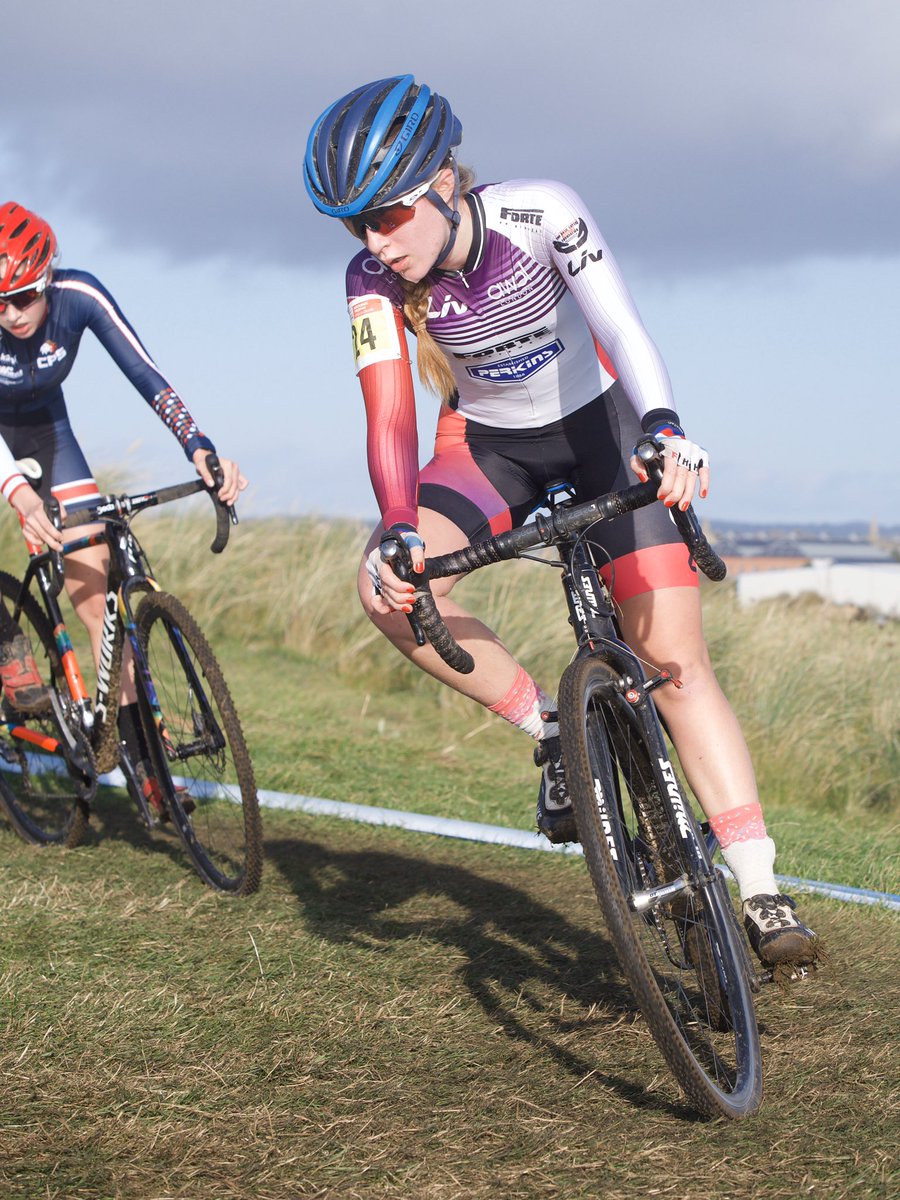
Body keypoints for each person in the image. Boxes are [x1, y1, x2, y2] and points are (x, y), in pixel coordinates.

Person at [303, 75, 818, 968]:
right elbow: (388, 415)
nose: (375, 243)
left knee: (674, 663)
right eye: (357, 227)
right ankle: (554, 728)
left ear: (442, 183)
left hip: (602, 431)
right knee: (385, 590)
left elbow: (620, 325)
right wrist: (397, 523)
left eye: (386, 216)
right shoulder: (369, 284)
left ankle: (761, 887)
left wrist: (665, 431)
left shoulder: (541, 213)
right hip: (489, 447)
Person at [0, 200, 247, 815]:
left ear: (48, 277)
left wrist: (199, 444)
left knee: (97, 602)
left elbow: (146, 374)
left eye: (24, 297)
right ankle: (7, 645)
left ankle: (147, 769)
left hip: (46, 434)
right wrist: (15, 491)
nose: (11, 313)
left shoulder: (79, 295)